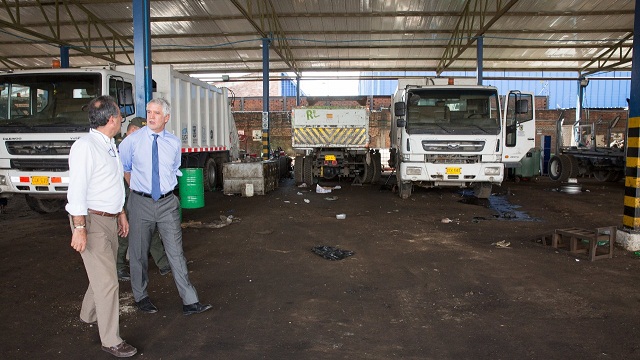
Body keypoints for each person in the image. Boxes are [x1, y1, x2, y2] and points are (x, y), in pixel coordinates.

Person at [119, 98, 212, 316]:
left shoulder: (173, 142)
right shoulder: (131, 141)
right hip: (140, 202)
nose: (151, 117)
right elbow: (125, 168)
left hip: (168, 203)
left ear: (166, 118)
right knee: (138, 253)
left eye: (156, 113)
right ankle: (140, 297)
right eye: (149, 112)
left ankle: (190, 301)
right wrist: (137, 189)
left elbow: (173, 169)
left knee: (176, 253)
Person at [65, 95, 137, 358]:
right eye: (119, 115)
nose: (120, 119)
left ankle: (88, 314)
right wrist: (79, 227)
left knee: (102, 276)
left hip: (109, 218)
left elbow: (112, 184)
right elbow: (77, 190)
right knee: (108, 281)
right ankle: (111, 340)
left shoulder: (109, 145)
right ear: (111, 119)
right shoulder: (85, 147)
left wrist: (120, 213)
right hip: (92, 222)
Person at [116, 117, 171, 281]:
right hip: (127, 196)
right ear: (132, 131)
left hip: (139, 195)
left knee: (151, 228)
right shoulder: (123, 147)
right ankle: (118, 267)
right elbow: (127, 174)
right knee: (124, 231)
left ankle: (163, 264)